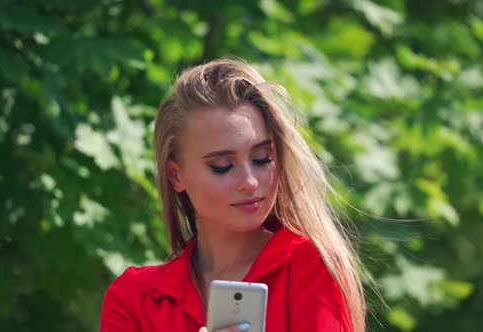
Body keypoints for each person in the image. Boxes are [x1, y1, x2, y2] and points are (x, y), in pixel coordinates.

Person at [100, 58, 366, 331]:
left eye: (263, 158)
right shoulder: (133, 299)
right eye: (222, 166)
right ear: (175, 175)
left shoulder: (312, 265)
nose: (249, 182)